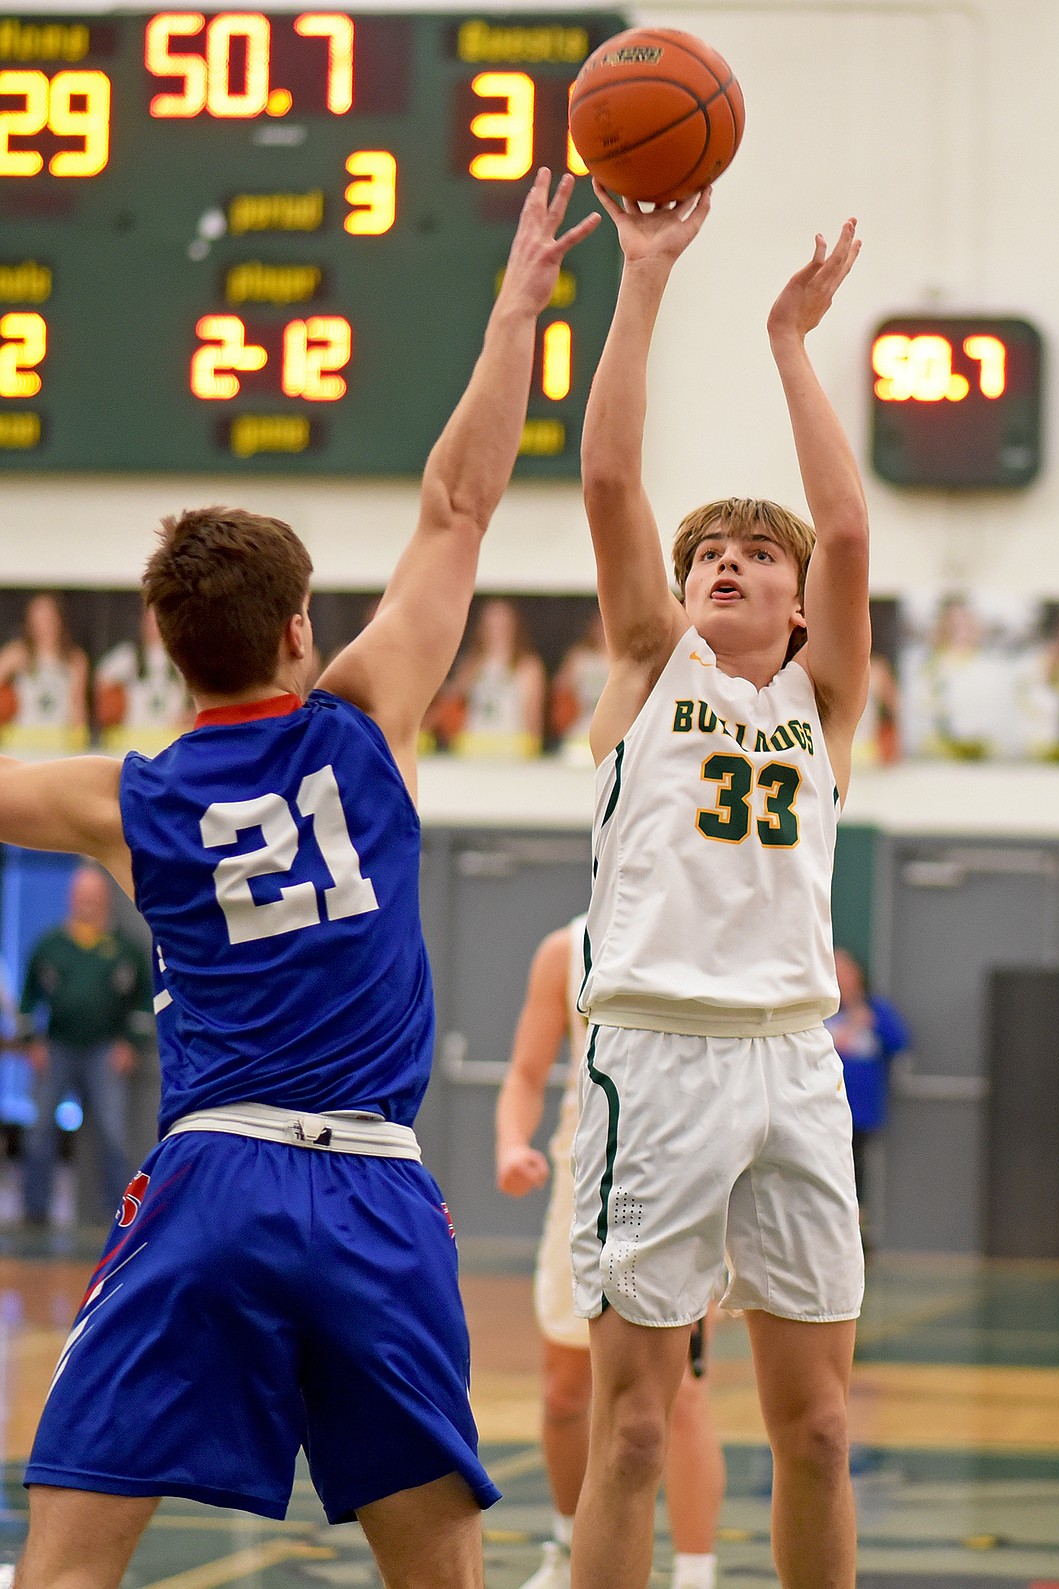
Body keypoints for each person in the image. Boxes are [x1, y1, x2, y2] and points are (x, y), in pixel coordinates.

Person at [0, 168, 599, 1589]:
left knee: (65, 1568)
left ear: (166, 647)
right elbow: (458, 504)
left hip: (210, 1180)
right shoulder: (364, 721)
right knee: (436, 1574)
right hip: (373, 1193)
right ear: (297, 630)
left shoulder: (127, 801)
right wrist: (517, 305)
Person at [570, 183, 870, 1589]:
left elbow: (851, 531)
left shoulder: (822, 703)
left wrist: (790, 343)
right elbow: (612, 483)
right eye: (709, 556)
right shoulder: (648, 669)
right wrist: (643, 276)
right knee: (633, 1430)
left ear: (798, 604)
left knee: (814, 1429)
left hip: (792, 1062)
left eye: (755, 555)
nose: (724, 563)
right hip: (659, 1054)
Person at [495, 919, 725, 1589]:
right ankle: (568, 1547)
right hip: (587, 1184)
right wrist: (512, 1143)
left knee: (681, 1394)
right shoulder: (565, 950)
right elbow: (525, 1073)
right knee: (566, 1392)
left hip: (683, 1182)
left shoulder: (701, 933)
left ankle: (694, 1573)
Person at [17, 863, 153, 1228]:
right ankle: (34, 1214)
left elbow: (144, 1002)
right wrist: (33, 1042)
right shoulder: (51, 945)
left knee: (113, 1134)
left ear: (105, 898)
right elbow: (28, 1000)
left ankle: (118, 1217)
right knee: (40, 1130)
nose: (86, 902)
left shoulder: (125, 949)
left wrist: (131, 1043)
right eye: (80, 895)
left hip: (106, 1051)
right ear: (71, 898)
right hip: (58, 1047)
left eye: (93, 895)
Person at [824, 947, 910, 1239]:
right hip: (820, 1110)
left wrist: (869, 1020)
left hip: (860, 1112)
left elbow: (900, 1042)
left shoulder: (875, 1010)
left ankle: (855, 1231)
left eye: (845, 970)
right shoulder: (820, 1011)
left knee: (856, 1172)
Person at [434, 597, 547, 758]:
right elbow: (451, 702)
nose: (496, 630)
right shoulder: (471, 663)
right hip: (475, 745)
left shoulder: (528, 666)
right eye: (491, 624)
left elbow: (533, 718)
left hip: (511, 748)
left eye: (502, 624)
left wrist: (534, 753)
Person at [0, 593, 89, 757]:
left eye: (48, 616)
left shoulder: (75, 659)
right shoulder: (17, 654)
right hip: (21, 741)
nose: (43, 622)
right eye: (38, 616)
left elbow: (77, 705)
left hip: (59, 742)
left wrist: (79, 744)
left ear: (59, 619)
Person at [94, 606, 191, 755]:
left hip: (170, 745)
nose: (154, 626)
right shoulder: (128, 655)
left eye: (158, 620)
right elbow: (102, 679)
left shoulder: (182, 658)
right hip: (133, 744)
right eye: (149, 620)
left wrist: (187, 716)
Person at [550, 608, 610, 766]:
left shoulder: (628, 660)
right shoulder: (579, 658)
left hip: (613, 736)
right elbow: (560, 698)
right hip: (580, 734)